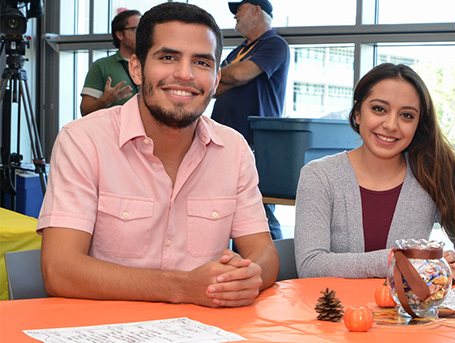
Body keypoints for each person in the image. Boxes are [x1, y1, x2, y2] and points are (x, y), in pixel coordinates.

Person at [37, 2, 278, 308]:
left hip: (207, 329)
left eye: (202, 63)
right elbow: (59, 270)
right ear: (136, 68)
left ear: (217, 79)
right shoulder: (84, 140)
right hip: (105, 329)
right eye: (168, 57)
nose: (185, 74)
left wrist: (249, 275)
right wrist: (181, 287)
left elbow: (264, 251)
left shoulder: (234, 148)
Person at [294, 63, 455, 283]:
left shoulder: (430, 174)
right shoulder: (319, 175)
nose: (390, 125)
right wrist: (395, 259)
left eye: (406, 115)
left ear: (418, 125)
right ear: (357, 113)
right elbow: (310, 265)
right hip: (334, 313)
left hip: (408, 314)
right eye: (379, 109)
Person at [211, 0, 289, 240]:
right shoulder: (239, 51)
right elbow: (214, 88)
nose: (235, 15)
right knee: (224, 207)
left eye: (240, 8)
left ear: (257, 10)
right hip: (222, 140)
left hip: (256, 143)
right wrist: (230, 76)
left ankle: (275, 268)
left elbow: (241, 74)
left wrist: (230, 75)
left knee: (259, 210)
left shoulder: (274, 44)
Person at [79, 9, 141, 116]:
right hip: (116, 130)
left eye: (143, 29)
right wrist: (106, 100)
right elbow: (85, 110)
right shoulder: (102, 66)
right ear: (120, 35)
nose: (141, 35)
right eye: (136, 29)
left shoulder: (151, 63)